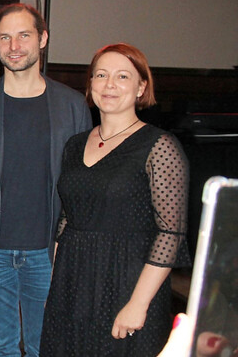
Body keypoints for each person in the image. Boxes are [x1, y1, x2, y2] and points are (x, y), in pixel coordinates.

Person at [0, 3, 92, 357]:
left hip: (49, 252)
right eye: (4, 37)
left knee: (45, 348)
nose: (13, 45)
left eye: (23, 35)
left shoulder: (72, 105)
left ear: (42, 39)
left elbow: (84, 184)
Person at [40, 43, 190, 356]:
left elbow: (171, 234)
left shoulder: (159, 146)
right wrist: (55, 283)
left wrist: (138, 303)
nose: (110, 84)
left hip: (127, 281)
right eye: (101, 75)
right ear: (90, 84)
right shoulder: (75, 144)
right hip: (72, 282)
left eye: (123, 76)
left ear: (141, 87)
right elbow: (67, 217)